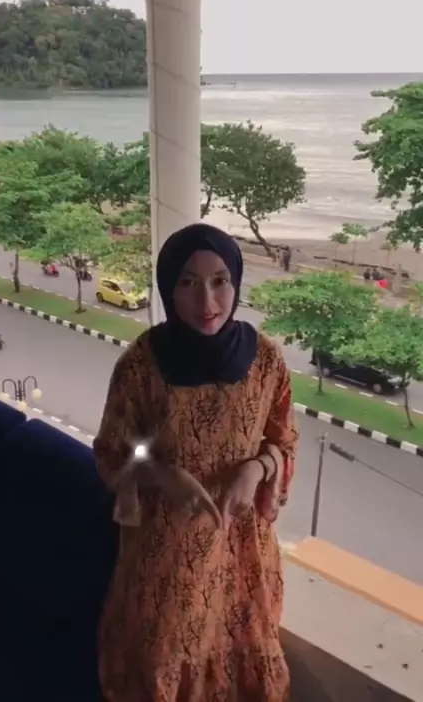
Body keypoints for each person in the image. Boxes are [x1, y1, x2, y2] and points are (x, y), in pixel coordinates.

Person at [94, 223, 299, 702]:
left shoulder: (266, 360)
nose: (207, 301)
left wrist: (257, 469)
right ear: (168, 287)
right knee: (162, 667)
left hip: (242, 554)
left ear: (236, 281)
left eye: (220, 281)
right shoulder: (141, 365)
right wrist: (162, 474)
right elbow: (114, 453)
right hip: (167, 558)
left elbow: (284, 441)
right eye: (188, 282)